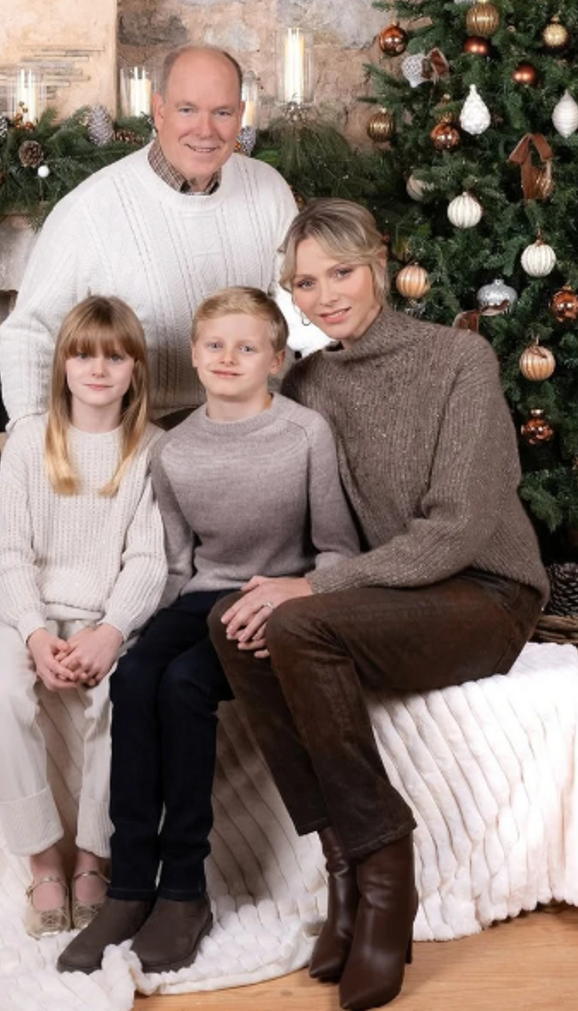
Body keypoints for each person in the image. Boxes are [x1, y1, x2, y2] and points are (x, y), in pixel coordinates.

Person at [208, 200, 549, 1011]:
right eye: (305, 283)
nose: (326, 295)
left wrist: (319, 585)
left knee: (299, 616)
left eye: (341, 272)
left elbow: (459, 528)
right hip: (390, 595)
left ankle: (386, 871)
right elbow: (281, 489)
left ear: (379, 263)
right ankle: (343, 871)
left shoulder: (460, 359)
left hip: (483, 592)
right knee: (238, 623)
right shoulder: (312, 381)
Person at [58, 286, 358, 976]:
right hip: (199, 598)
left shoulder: (304, 434)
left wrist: (297, 599)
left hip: (276, 599)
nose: (229, 358)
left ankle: (186, 892)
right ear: (193, 356)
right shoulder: (176, 449)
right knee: (136, 677)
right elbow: (172, 565)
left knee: (187, 685)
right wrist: (123, 629)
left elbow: (337, 547)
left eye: (247, 347)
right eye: (215, 345)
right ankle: (131, 886)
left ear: (276, 360)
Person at [0, 296, 167, 939]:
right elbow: (9, 553)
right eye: (83, 354)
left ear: (136, 368)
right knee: (0, 692)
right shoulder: (31, 440)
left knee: (125, 697)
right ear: (62, 365)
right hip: (24, 613)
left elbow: (147, 558)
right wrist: (32, 632)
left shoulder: (151, 450)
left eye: (115, 356)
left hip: (109, 617)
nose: (98, 369)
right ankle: (43, 859)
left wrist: (110, 632)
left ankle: (92, 857)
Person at [0, 45, 317, 428]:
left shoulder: (268, 189)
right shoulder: (90, 208)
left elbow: (302, 308)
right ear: (159, 109)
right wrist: (31, 438)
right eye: (187, 110)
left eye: (222, 112)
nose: (206, 130)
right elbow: (31, 330)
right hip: (143, 437)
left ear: (240, 116)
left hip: (254, 421)